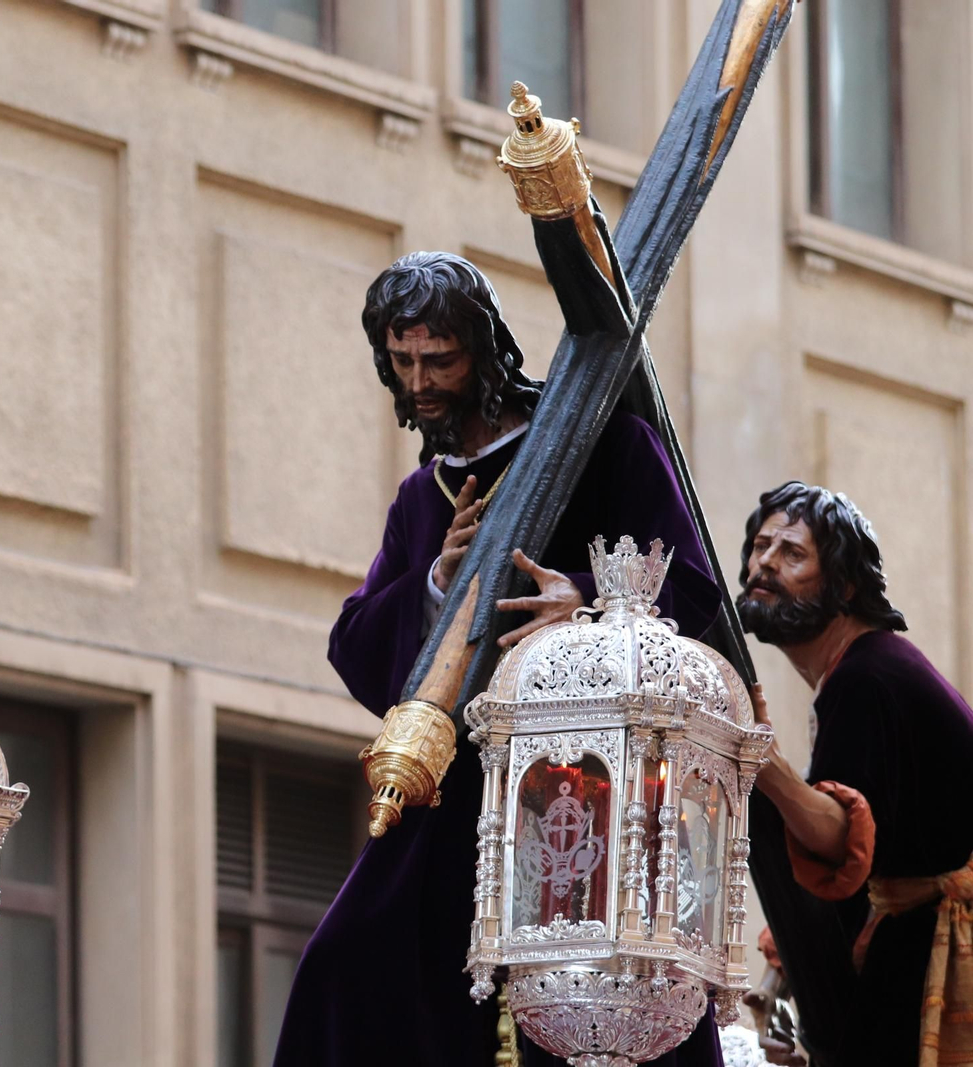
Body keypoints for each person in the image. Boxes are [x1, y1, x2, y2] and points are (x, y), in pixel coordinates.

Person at [270, 251, 724, 1066]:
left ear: (483, 348)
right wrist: (438, 580)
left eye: (439, 358)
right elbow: (360, 648)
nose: (420, 384)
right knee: (349, 962)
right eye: (402, 362)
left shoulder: (603, 441)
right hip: (463, 783)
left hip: (586, 777)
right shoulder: (424, 496)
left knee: (591, 994)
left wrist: (589, 602)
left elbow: (694, 590)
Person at [738, 481, 973, 1067]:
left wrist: (763, 765)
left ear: (843, 585)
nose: (765, 562)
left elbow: (845, 842)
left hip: (928, 949)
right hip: (908, 935)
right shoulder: (862, 671)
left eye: (793, 553)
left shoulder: (865, 679)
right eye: (761, 545)